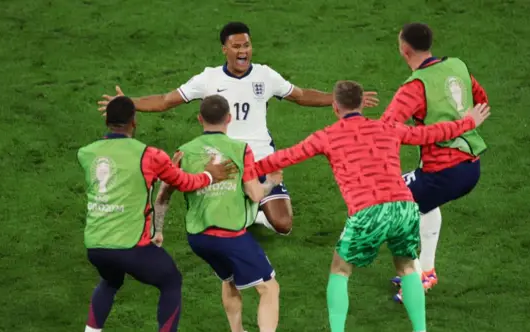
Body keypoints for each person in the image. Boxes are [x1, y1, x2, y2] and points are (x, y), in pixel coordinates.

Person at [252, 81, 491, 332]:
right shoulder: (387, 126)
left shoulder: (326, 136)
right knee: (407, 269)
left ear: (335, 106)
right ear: (362, 103)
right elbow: (429, 134)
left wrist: (241, 168)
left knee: (340, 270)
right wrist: (467, 122)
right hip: (404, 207)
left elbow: (285, 157)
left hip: (368, 211)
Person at [97, 21, 379, 236]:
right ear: (225, 49)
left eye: (246, 46)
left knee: (283, 224)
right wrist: (128, 101)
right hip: (224, 159)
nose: (243, 51)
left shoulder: (266, 75)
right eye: (236, 46)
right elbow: (166, 100)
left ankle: (251, 208)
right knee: (218, 229)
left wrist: (340, 99)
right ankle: (244, 202)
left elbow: (301, 95)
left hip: (260, 157)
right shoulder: (208, 78)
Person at [76, 96, 237, 332]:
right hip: (131, 246)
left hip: (95, 245)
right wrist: (210, 174)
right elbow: (185, 182)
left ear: (107, 121)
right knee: (171, 281)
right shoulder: (149, 155)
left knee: (110, 280)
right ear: (134, 122)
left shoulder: (86, 153)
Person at [153, 95, 284, 332]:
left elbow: (162, 196)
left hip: (199, 239)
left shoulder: (183, 152)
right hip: (230, 236)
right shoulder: (240, 149)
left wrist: (158, 230)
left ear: (200, 119)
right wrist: (271, 182)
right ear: (229, 119)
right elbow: (255, 194)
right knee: (269, 288)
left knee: (229, 279)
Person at [381, 23, 490, 302]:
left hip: (443, 171)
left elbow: (387, 128)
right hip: (470, 166)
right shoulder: (457, 66)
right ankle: (427, 271)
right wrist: (462, 121)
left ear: (404, 50)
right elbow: (481, 100)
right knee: (423, 202)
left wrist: (420, 134)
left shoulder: (415, 87)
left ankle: (416, 280)